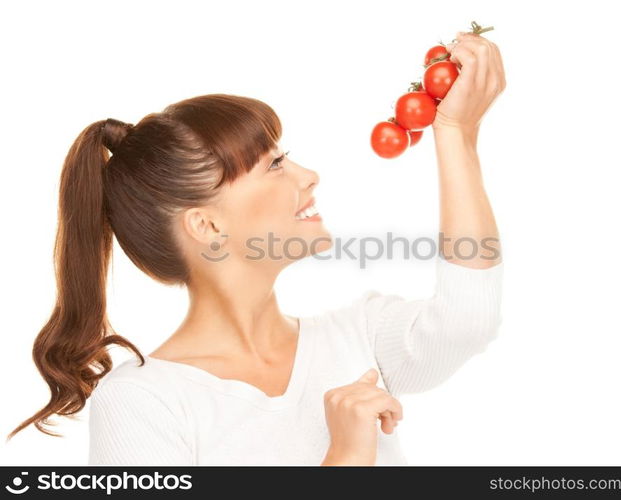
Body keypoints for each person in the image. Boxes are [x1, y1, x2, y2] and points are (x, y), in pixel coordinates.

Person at [7, 30, 506, 465]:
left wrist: (455, 135)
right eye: (274, 165)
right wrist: (345, 459)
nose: (309, 176)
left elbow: (469, 316)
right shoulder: (144, 403)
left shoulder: (360, 339)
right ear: (206, 225)